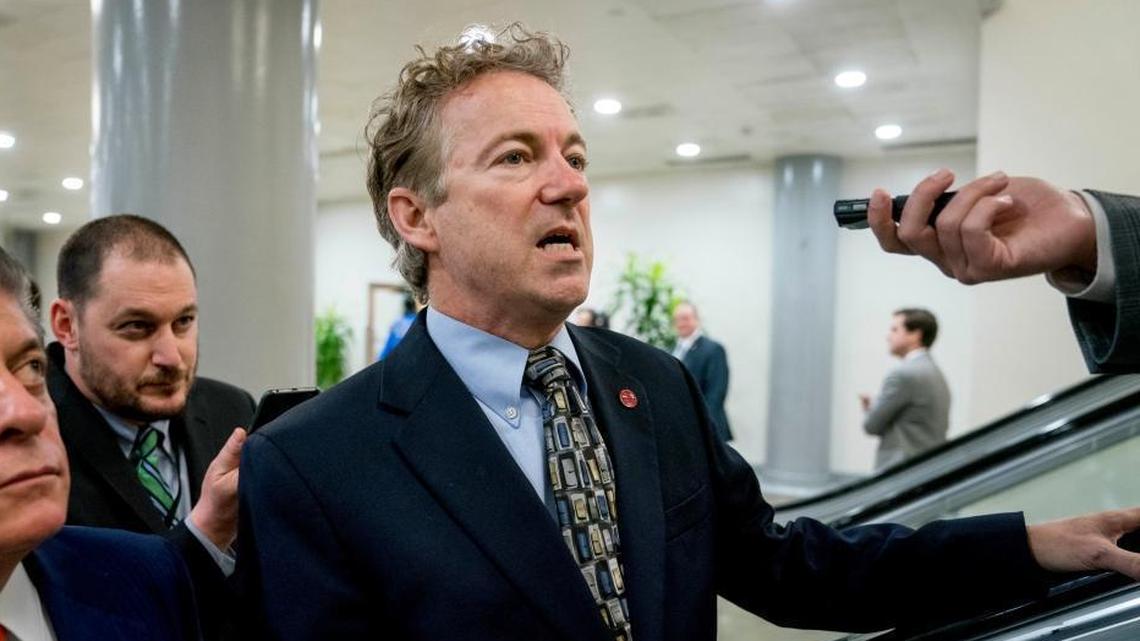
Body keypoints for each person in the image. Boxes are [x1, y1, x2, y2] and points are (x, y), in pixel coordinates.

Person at [237, 25, 1140, 641]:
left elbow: (789, 567)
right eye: (517, 157)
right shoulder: (316, 461)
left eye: (575, 156)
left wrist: (1024, 545)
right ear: (415, 217)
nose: (569, 185)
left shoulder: (652, 385)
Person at [46, 214, 251, 638]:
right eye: (137, 327)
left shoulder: (230, 408)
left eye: (184, 322)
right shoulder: (28, 437)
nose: (171, 356)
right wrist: (205, 535)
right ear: (67, 325)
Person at [0, 247, 201, 641]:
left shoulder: (137, 578)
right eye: (136, 326)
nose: (26, 412)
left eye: (30, 367)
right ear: (67, 326)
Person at [866, 170, 1140, 374]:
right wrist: (1089, 235)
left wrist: (1088, 236)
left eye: (894, 328)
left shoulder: (908, 374)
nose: (888, 335)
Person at [860, 308, 950, 469]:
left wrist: (871, 409)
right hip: (926, 467)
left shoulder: (902, 375)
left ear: (915, 334)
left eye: (895, 330)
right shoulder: (935, 372)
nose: (888, 336)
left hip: (900, 469)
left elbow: (871, 426)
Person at [671, 301, 733, 442]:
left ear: (696, 320)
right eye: (678, 319)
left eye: (685, 318)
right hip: (680, 427)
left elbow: (716, 392)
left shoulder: (713, 349)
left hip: (705, 427)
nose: (681, 323)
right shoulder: (670, 350)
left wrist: (702, 424)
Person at [378, 292, 418, 360]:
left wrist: (381, 358)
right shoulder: (418, 321)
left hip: (397, 358)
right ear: (414, 307)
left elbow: (389, 345)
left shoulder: (397, 322)